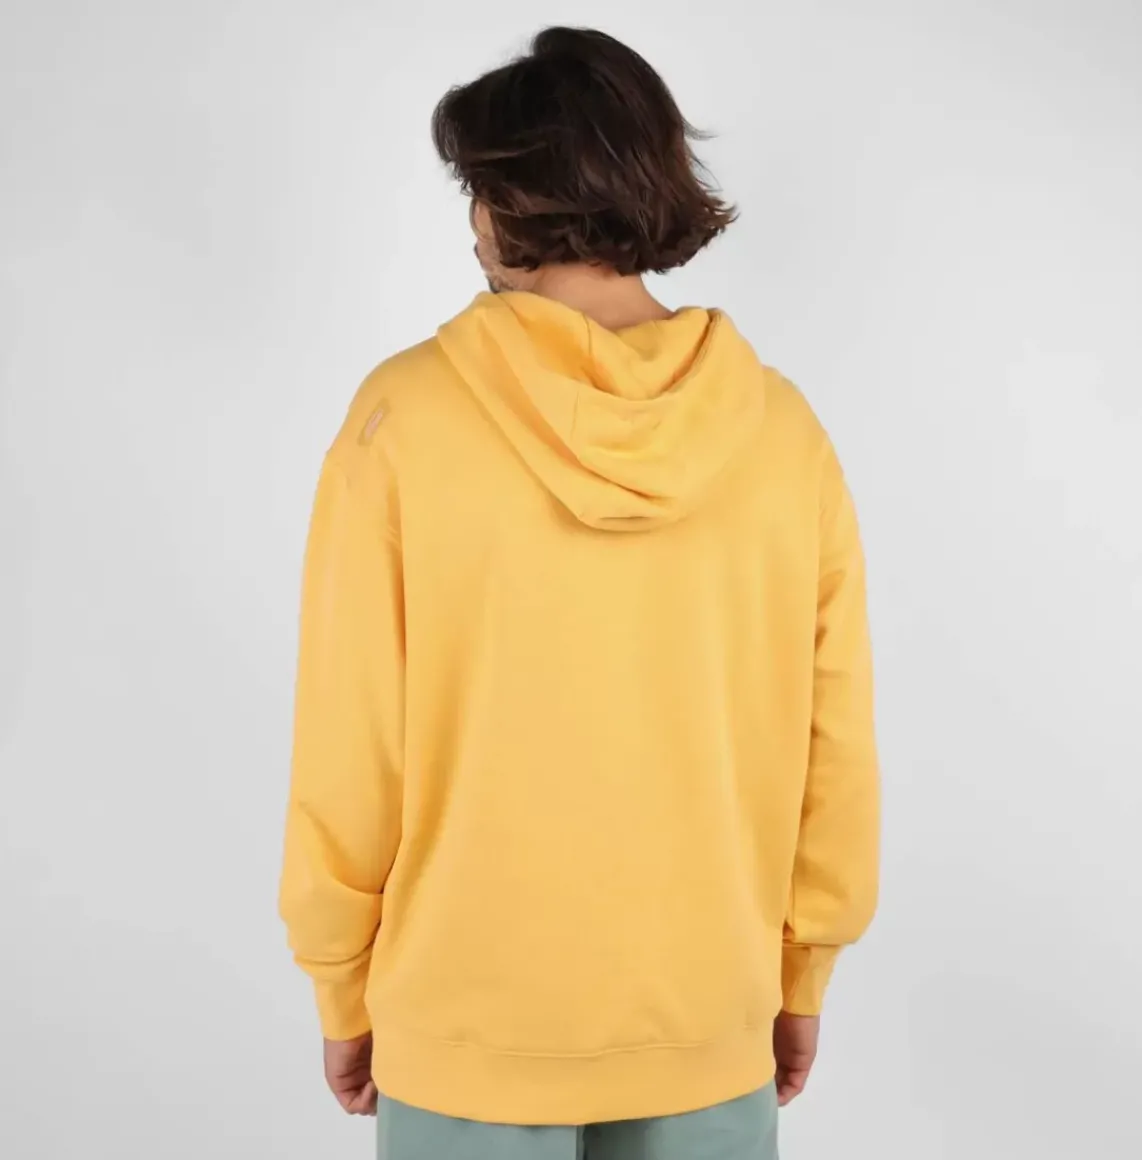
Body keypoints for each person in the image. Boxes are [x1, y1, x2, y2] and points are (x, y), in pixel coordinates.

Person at [279, 25, 879, 1160]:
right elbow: (833, 740)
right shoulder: (782, 435)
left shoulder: (402, 422)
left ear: (504, 202)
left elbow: (350, 742)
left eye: (474, 190)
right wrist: (802, 970)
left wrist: (340, 983)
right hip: (709, 1013)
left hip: (465, 1025)